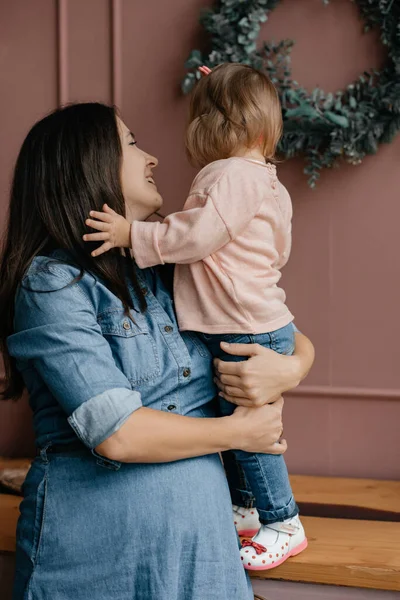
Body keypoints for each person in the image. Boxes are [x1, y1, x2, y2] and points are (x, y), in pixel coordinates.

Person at [0, 102, 314, 600]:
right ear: (88, 162)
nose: (152, 158)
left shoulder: (175, 264)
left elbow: (271, 322)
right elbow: (116, 434)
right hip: (95, 558)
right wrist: (239, 431)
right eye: (130, 144)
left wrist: (291, 367)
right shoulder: (52, 285)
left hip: (202, 556)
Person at [82, 63, 309, 570]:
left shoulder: (232, 175)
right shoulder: (267, 182)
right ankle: (249, 509)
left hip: (243, 326)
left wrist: (130, 236)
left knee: (249, 430)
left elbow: (198, 235)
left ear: (232, 128)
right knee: (239, 421)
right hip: (259, 320)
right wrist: (292, 361)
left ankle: (283, 519)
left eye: (204, 117)